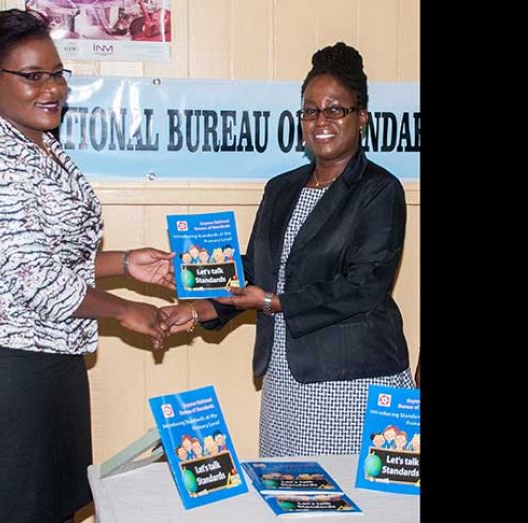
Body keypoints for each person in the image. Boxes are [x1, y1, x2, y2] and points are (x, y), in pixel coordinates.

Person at [0, 9, 174, 523]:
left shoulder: (41, 147)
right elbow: (37, 279)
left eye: (58, 74)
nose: (53, 89)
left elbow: (57, 259)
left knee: (54, 508)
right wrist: (127, 311)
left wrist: (127, 263)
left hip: (50, 352)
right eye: (33, 76)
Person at [162, 42, 415, 457]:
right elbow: (255, 270)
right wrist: (196, 303)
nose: (321, 121)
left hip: (348, 380)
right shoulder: (281, 189)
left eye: (336, 109)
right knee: (286, 493)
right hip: (284, 374)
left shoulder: (379, 190)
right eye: (311, 110)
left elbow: (364, 285)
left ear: (362, 117)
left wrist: (275, 302)